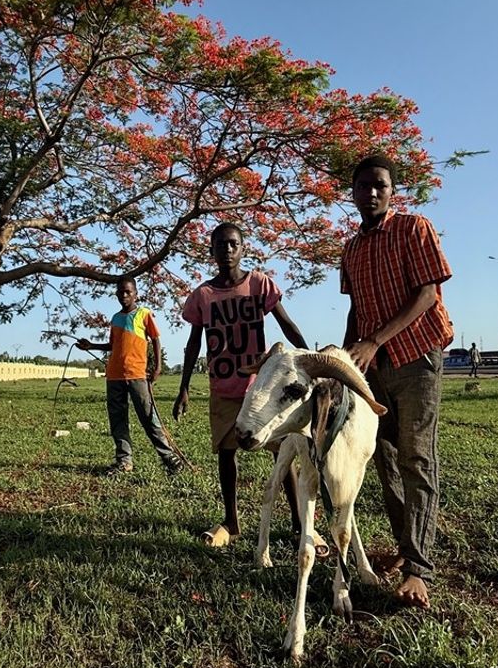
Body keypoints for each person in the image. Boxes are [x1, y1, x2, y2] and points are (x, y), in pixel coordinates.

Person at [341, 154, 453, 610]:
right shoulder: (351, 250)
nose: (371, 192)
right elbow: (356, 311)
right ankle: (407, 548)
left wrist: (374, 340)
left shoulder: (414, 228)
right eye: (363, 185)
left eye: (380, 186)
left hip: (417, 356)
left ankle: (417, 571)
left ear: (392, 191)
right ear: (352, 192)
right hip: (375, 366)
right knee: (383, 459)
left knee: (416, 457)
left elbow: (427, 294)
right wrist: (346, 362)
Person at [173, 223, 324, 554]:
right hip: (223, 387)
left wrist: (313, 363)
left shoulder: (258, 284)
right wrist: (183, 387)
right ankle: (231, 521)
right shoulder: (203, 296)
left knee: (283, 454)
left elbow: (286, 323)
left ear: (243, 248)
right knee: (226, 454)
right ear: (211, 251)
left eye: (233, 244)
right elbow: (193, 344)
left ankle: (300, 524)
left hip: (262, 390)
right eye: (220, 245)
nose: (227, 250)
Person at [76, 279, 182, 476]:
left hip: (137, 375)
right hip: (114, 376)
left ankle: (169, 458)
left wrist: (157, 367)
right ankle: (124, 461)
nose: (123, 296)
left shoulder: (144, 314)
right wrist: (91, 346)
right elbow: (112, 345)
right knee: (118, 419)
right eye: (120, 292)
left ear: (135, 294)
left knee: (149, 417)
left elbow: (156, 339)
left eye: (127, 292)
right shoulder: (116, 318)